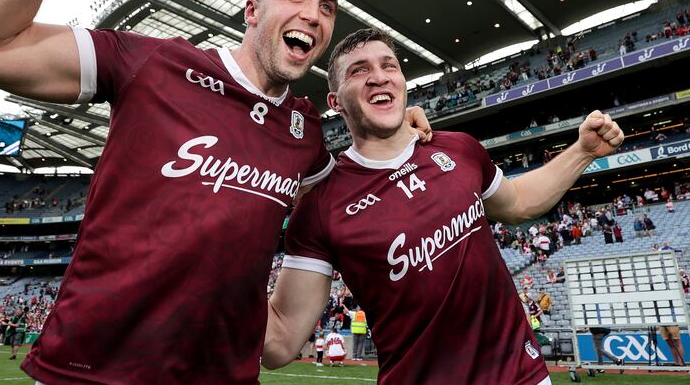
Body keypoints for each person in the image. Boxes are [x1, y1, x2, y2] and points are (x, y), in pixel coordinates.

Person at [0, 0, 430, 384]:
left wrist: (392, 132)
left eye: (327, 5)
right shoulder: (154, 65)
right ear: (252, 11)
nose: (312, 15)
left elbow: (349, 194)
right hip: (89, 375)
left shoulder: (304, 132)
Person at [262, 28, 625, 383]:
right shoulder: (321, 209)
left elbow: (519, 203)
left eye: (389, 66)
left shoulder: (459, 148)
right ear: (336, 102)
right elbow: (279, 344)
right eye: (359, 71)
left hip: (523, 375)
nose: (378, 77)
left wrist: (583, 152)